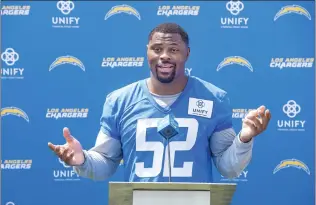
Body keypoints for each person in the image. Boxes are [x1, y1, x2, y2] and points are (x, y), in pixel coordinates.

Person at [48, 22, 271, 182]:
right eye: (157, 49)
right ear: (147, 53)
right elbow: (105, 162)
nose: (164, 56)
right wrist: (82, 159)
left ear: (187, 54)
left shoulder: (212, 98)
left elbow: (228, 167)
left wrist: (244, 138)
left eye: (173, 49)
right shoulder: (120, 101)